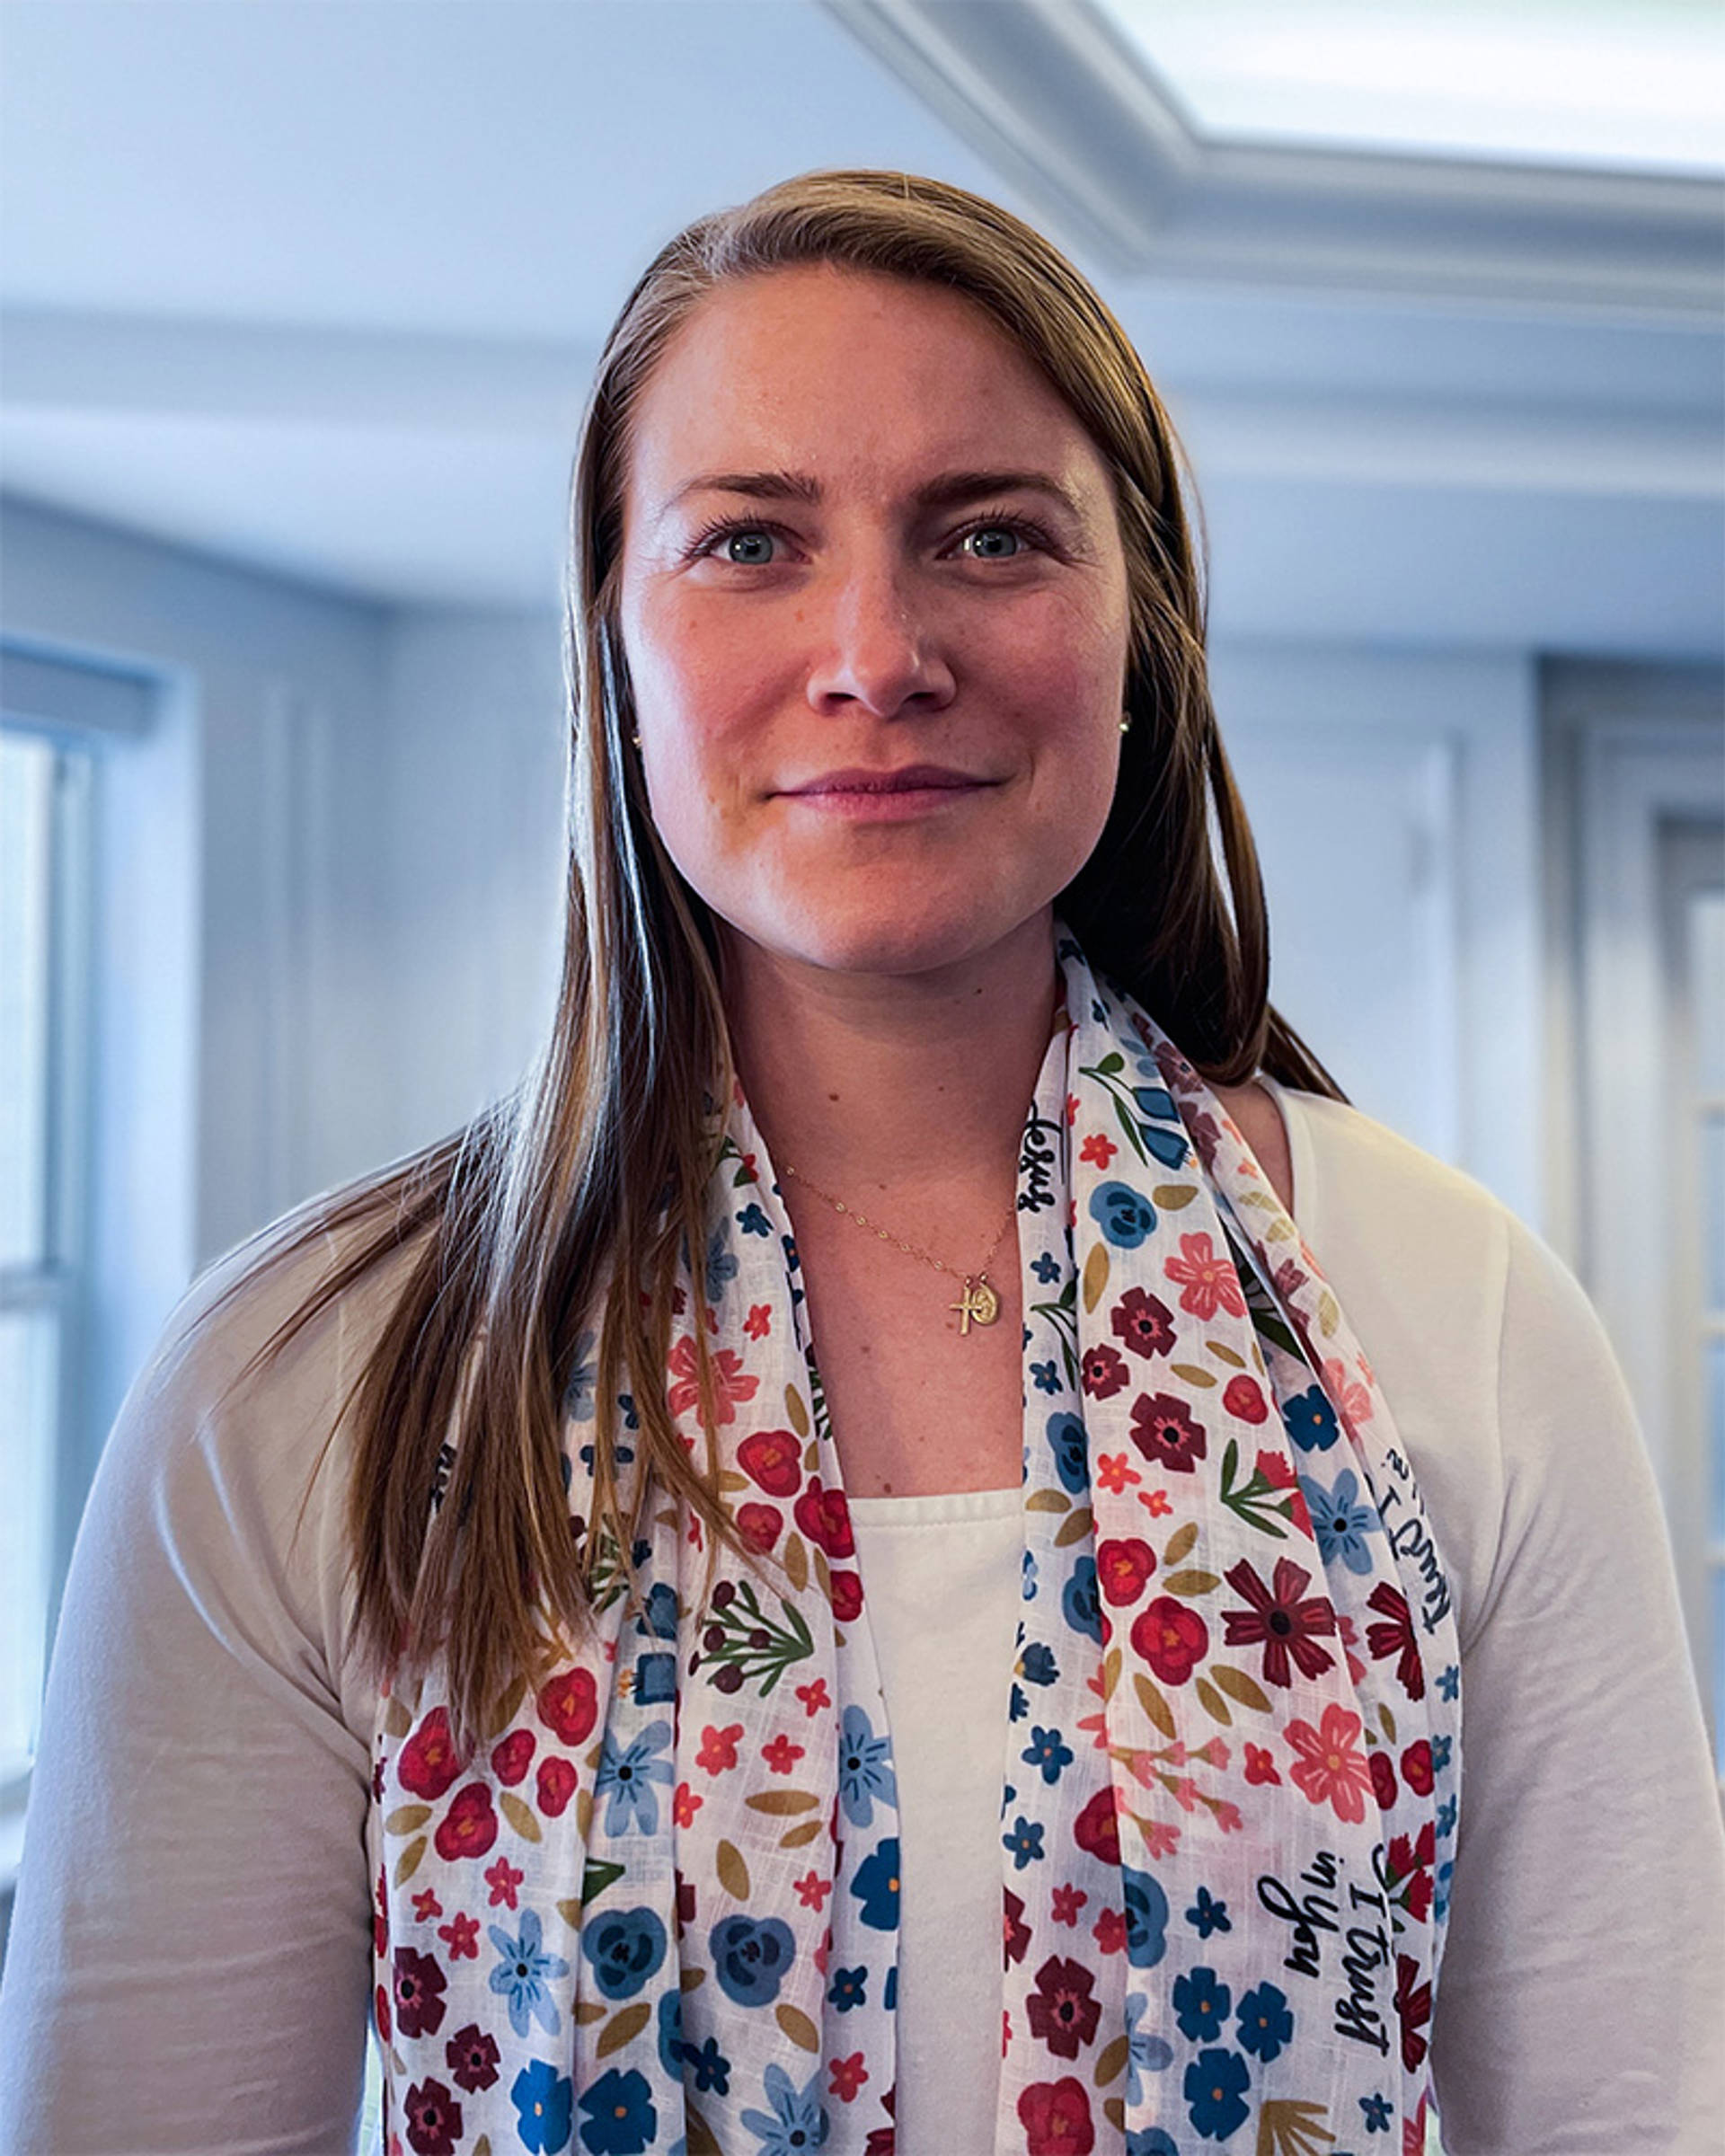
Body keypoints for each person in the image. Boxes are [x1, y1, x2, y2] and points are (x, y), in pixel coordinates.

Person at [0, 169, 1720, 2156]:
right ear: (613, 646)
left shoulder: (1459, 1314)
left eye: (991, 536)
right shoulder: (304, 1377)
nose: (878, 653)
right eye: (749, 542)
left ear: (1139, 634)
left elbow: (1630, 2120)